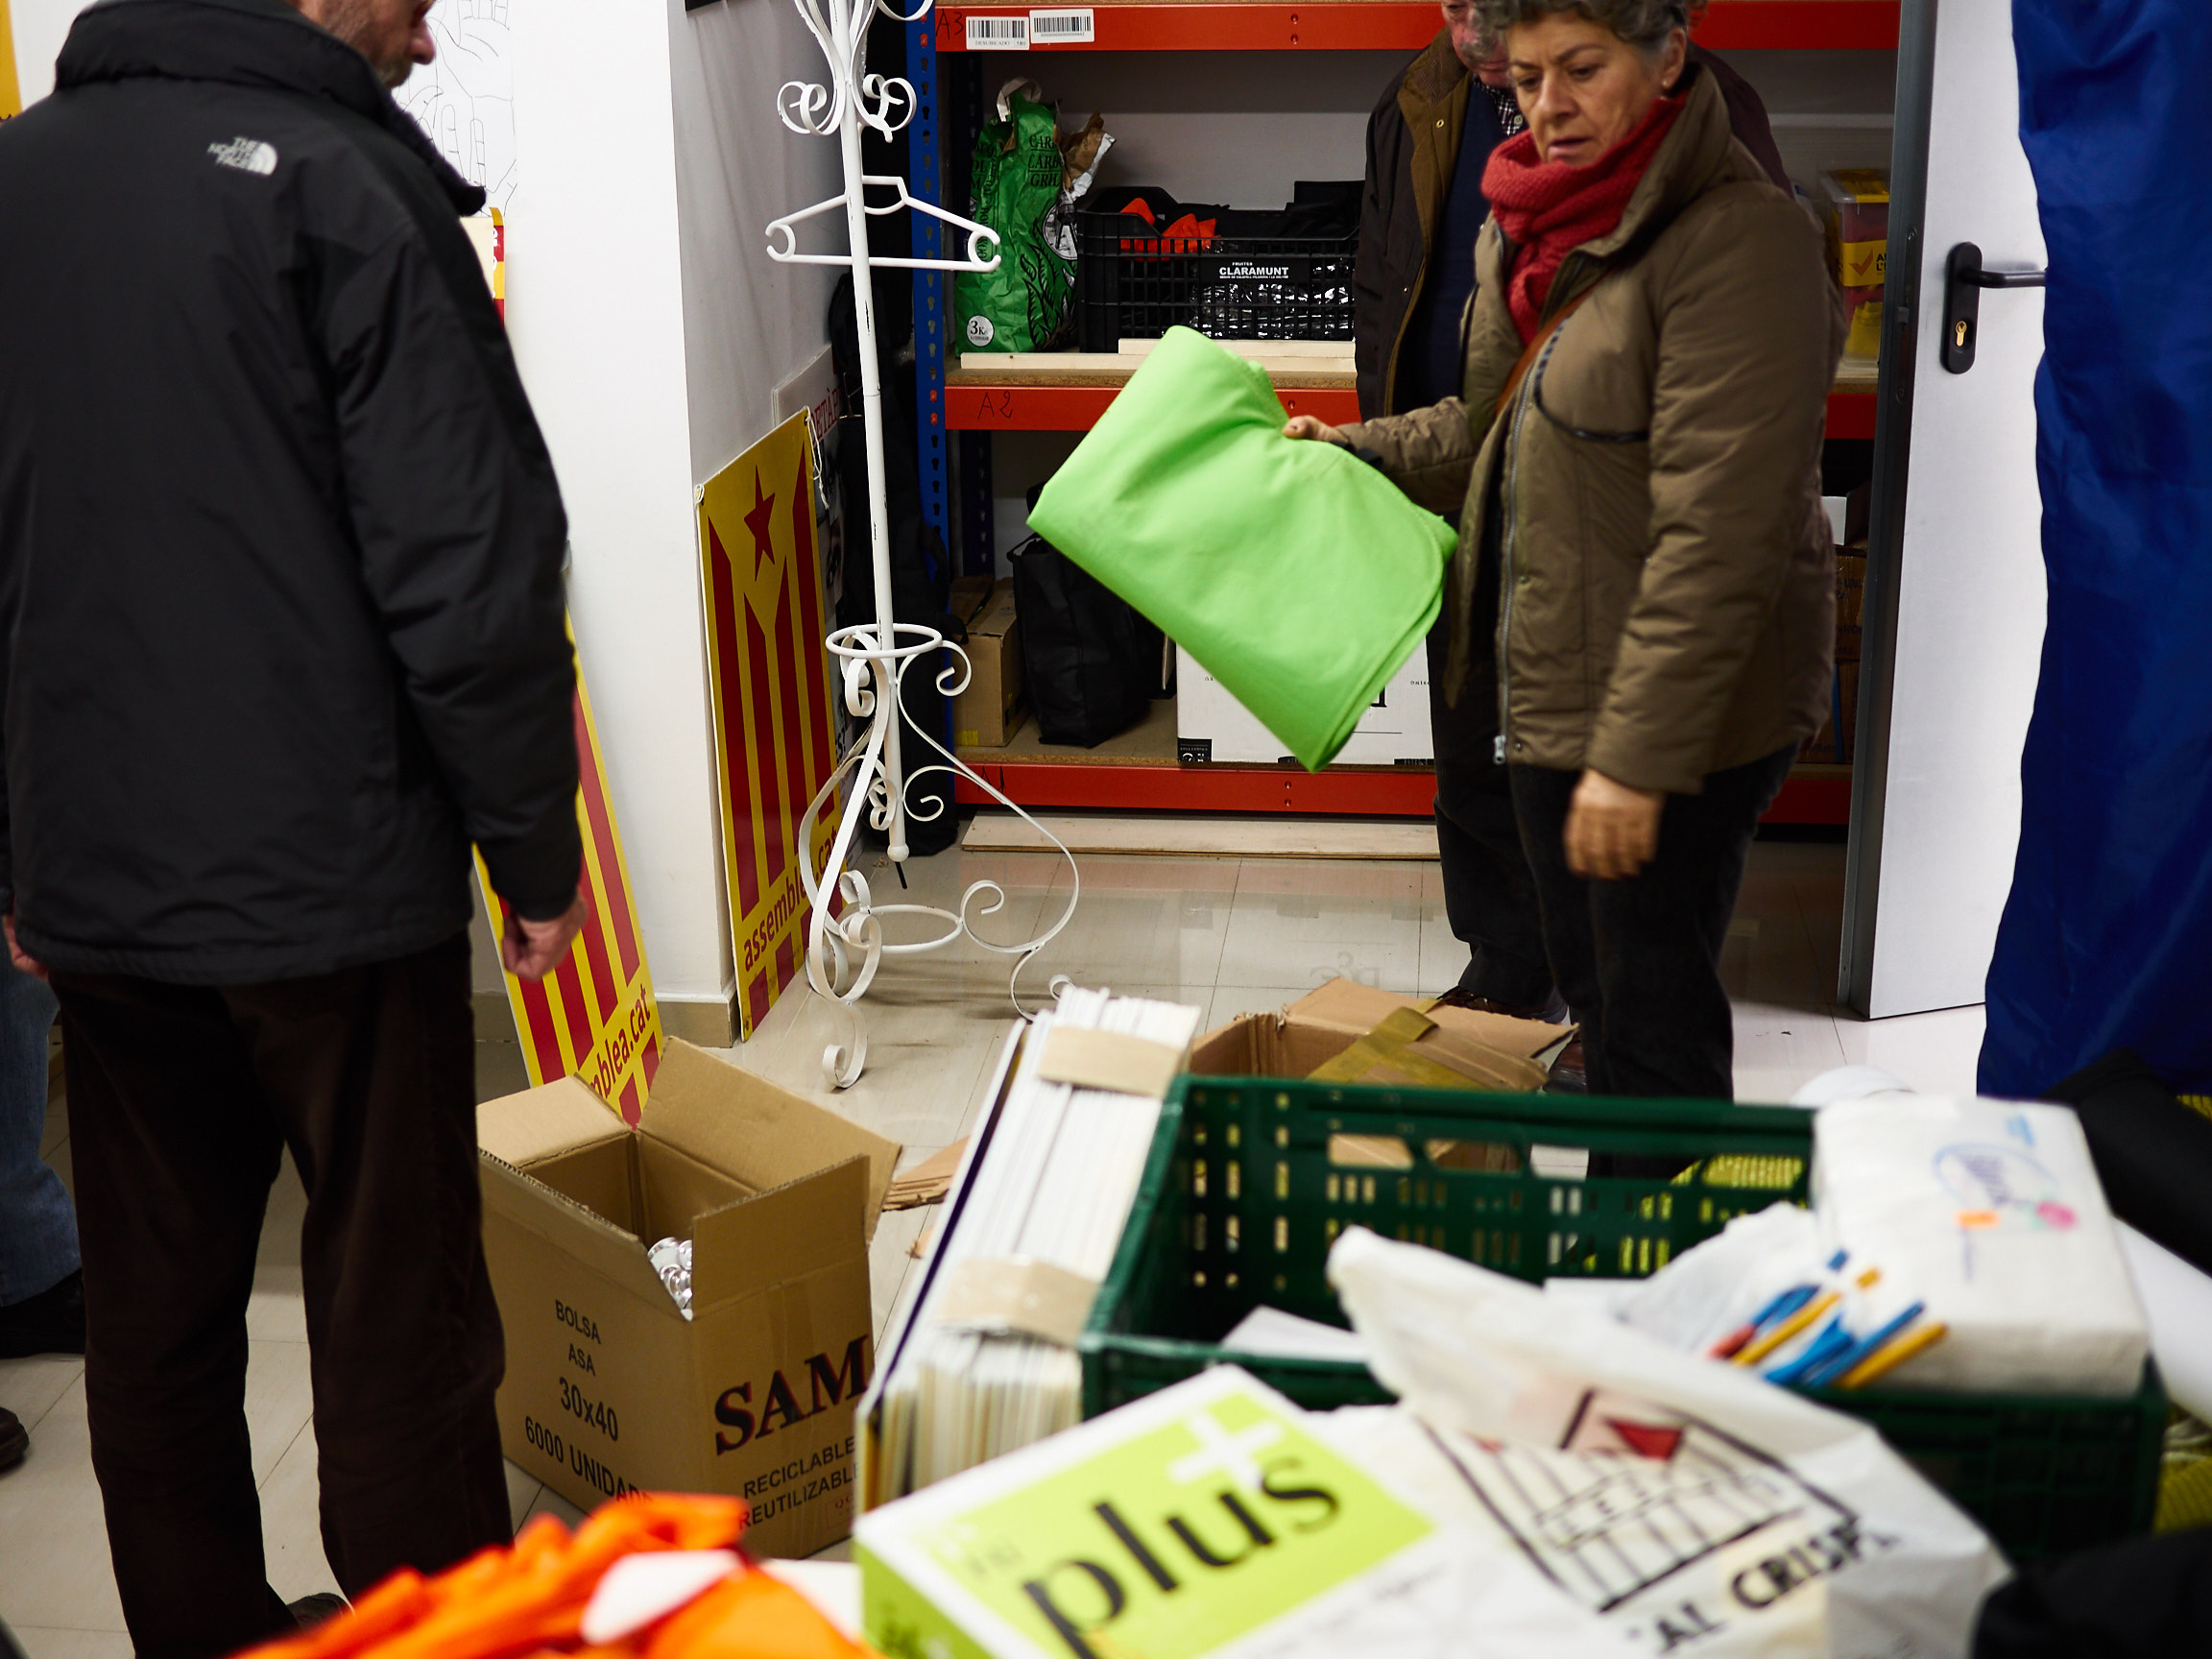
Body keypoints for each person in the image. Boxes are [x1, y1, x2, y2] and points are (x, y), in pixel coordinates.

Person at [0, 0, 588, 1650]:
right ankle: (434, 1640)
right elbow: (466, 567)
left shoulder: (19, 181)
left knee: (155, 1309)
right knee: (398, 1313)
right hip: (333, 886)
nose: (426, 37)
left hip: (98, 878)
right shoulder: (348, 187)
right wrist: (532, 852)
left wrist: (16, 854)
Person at [1300, 0, 1840, 1099]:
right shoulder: (1529, 222)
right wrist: (1352, 451)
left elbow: (1719, 541)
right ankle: (1617, 1189)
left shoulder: (1740, 239)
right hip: (1559, 664)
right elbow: (1488, 426)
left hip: (1677, 706)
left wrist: (1635, 760)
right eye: (1530, 76)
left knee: (1651, 1025)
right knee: (1602, 991)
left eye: (1583, 70)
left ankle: (1665, 1207)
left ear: (1668, 55)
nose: (1549, 105)